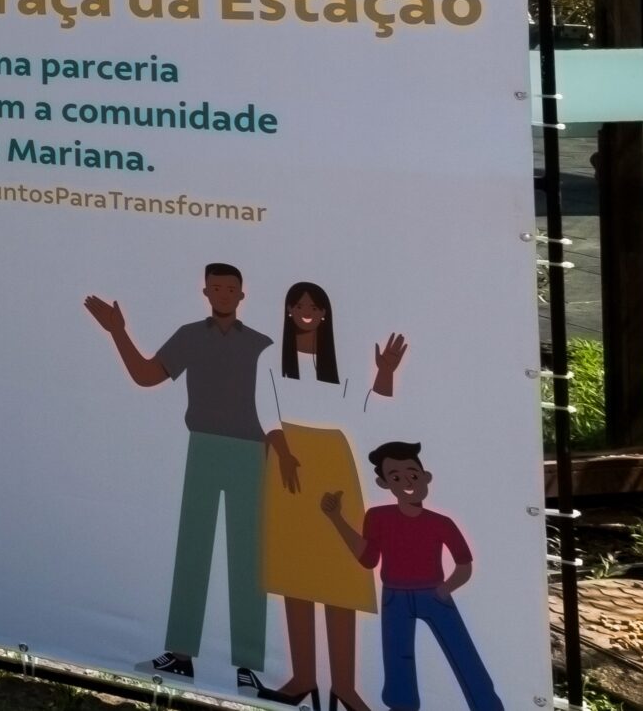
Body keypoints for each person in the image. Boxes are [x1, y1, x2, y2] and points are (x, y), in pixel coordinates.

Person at [85, 264, 278, 695]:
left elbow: (283, 403)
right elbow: (147, 375)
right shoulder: (190, 335)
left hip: (252, 453)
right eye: (216, 288)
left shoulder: (261, 345)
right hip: (204, 447)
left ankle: (248, 667)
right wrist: (117, 331)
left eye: (231, 289)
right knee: (193, 546)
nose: (224, 294)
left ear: (242, 295)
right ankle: (180, 655)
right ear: (205, 291)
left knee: (248, 557)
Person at [257, 283, 409, 711]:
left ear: (324, 313)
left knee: (339, 575)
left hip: (333, 463)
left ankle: (344, 685)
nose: (306, 312)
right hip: (287, 465)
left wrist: (385, 371)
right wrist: (284, 454)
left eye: (314, 306)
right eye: (299, 305)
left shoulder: (338, 363)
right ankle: (302, 677)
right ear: (288, 311)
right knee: (295, 576)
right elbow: (263, 409)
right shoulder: (272, 357)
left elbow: (367, 411)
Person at [319, 444, 501, 711]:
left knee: (463, 653)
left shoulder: (440, 523)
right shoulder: (378, 517)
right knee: (397, 661)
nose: (406, 482)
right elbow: (368, 558)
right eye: (395, 477)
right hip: (395, 596)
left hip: (434, 594)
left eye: (412, 474)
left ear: (425, 477)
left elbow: (464, 565)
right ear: (383, 483)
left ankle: (487, 705)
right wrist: (336, 519)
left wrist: (445, 589)